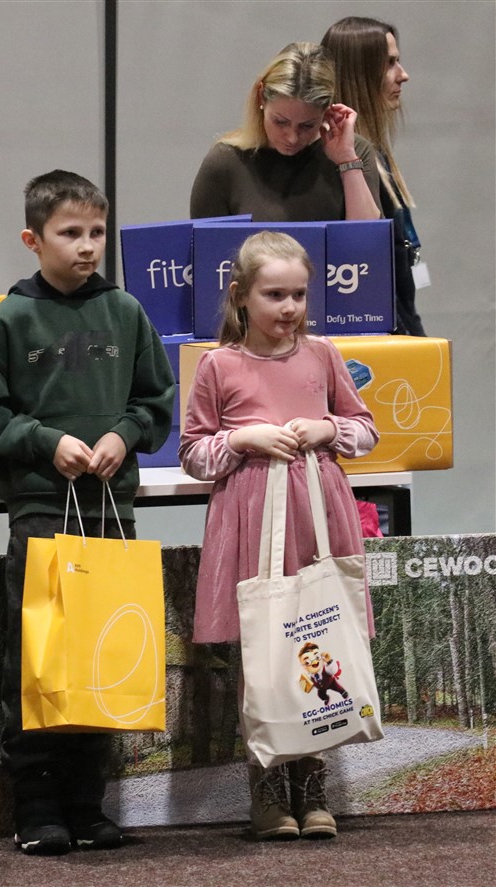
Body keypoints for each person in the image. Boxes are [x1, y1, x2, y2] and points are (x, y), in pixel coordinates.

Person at [0, 169, 175, 856]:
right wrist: (45, 442)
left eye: (96, 232)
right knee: (41, 658)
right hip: (41, 515)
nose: (86, 246)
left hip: (111, 516)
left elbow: (156, 403)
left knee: (103, 655)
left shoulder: (125, 312)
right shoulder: (10, 318)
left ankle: (88, 803)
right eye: (70, 233)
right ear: (33, 240)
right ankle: (37, 806)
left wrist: (124, 434)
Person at [178, 231, 378, 841]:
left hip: (316, 512)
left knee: (318, 638)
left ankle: (312, 784)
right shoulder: (219, 364)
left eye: (298, 294)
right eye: (274, 295)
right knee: (264, 647)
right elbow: (194, 453)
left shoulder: (321, 355)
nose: (289, 308)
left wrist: (327, 429)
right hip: (251, 517)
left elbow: (366, 430)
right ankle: (266, 786)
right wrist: (242, 439)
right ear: (241, 295)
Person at [190, 42, 381, 222]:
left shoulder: (354, 152)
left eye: (307, 126)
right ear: (261, 97)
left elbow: (367, 239)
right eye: (281, 122)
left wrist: (347, 162)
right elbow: (206, 244)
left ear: (326, 111)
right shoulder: (226, 162)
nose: (292, 137)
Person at [322, 16, 427, 336]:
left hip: (401, 329)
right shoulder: (338, 164)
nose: (403, 75)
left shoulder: (376, 157)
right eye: (390, 63)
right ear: (360, 73)